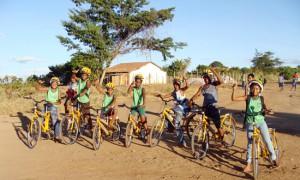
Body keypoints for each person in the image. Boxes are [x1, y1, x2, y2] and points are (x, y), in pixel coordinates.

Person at [231, 80, 278, 173]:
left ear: (260, 90)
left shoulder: (261, 98)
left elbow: (264, 108)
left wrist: (267, 110)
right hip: (250, 123)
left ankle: (273, 158)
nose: (255, 90)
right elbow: (233, 99)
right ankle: (248, 165)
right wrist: (233, 89)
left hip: (261, 122)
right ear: (250, 89)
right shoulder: (247, 98)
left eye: (257, 88)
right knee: (249, 144)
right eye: (253, 88)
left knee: (267, 141)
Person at [190, 67, 224, 139]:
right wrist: (191, 100)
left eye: (207, 78)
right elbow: (197, 94)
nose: (205, 79)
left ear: (210, 78)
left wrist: (213, 70)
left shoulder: (214, 84)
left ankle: (222, 138)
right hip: (205, 108)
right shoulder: (202, 87)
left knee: (218, 125)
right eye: (204, 78)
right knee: (206, 125)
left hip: (213, 107)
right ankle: (206, 141)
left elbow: (221, 81)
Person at [156, 76, 189, 147]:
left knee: (177, 124)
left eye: (177, 84)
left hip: (183, 109)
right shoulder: (173, 92)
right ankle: (170, 128)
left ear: (179, 85)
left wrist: (186, 79)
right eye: (174, 84)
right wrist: (160, 96)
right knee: (165, 113)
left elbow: (187, 86)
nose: (175, 86)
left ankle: (182, 141)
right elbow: (166, 96)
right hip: (176, 108)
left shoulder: (181, 90)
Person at [35, 77, 62, 141]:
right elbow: (39, 89)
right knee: (42, 118)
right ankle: (43, 132)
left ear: (57, 84)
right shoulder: (48, 89)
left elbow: (59, 101)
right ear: (51, 83)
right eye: (53, 83)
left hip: (54, 106)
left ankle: (57, 136)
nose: (54, 84)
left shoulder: (58, 90)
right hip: (47, 105)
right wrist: (39, 83)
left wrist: (56, 102)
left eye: (55, 83)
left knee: (55, 121)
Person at [127, 74, 148, 141]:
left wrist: (144, 104)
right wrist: (131, 85)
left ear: (141, 83)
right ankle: (131, 130)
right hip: (134, 106)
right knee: (130, 118)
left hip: (140, 106)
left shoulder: (143, 89)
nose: (137, 83)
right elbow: (128, 92)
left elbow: (144, 96)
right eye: (136, 82)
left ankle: (147, 132)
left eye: (138, 82)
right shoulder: (134, 88)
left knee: (142, 119)